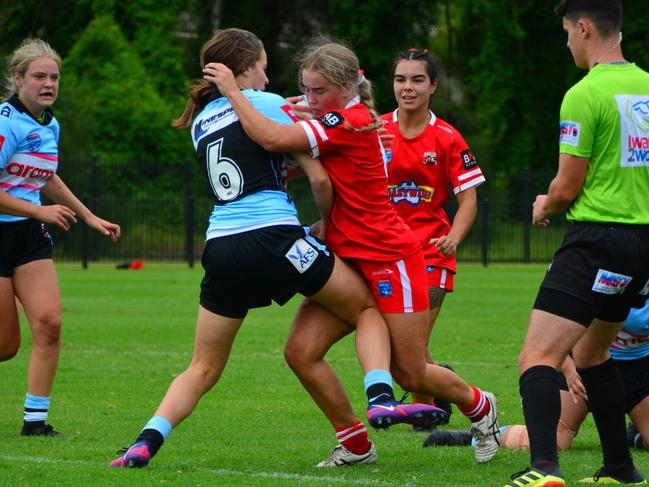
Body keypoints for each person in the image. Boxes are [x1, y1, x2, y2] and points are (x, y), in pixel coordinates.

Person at [110, 28, 442, 470]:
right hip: (276, 239)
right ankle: (380, 396)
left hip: (221, 248)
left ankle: (147, 440)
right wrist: (328, 219)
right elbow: (320, 169)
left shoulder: (199, 122)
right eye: (264, 68)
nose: (268, 79)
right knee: (366, 310)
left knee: (203, 367)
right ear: (244, 69)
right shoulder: (266, 104)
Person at [205, 40, 501, 464]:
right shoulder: (351, 117)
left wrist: (234, 93)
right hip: (347, 258)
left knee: (411, 371)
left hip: (389, 258)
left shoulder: (350, 119)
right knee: (301, 352)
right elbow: (310, 134)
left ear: (346, 86)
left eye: (318, 90)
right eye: (305, 89)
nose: (310, 98)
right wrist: (297, 108)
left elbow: (270, 137)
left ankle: (482, 407)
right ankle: (356, 444)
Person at [507, 1, 649, 485]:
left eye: (568, 33)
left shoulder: (583, 94)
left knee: (537, 356)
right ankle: (619, 467)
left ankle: (544, 466)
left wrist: (544, 204)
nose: (567, 43)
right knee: (591, 355)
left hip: (596, 240)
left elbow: (567, 188)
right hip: (641, 246)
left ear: (584, 28)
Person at [0, 39, 121, 436]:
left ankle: (35, 423)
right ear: (18, 79)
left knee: (50, 324)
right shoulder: (5, 120)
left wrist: (88, 216)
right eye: (39, 76)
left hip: (28, 239)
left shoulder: (49, 123)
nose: (48, 83)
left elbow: (44, 176)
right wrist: (38, 210)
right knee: (5, 345)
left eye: (54, 77)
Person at [380, 47, 485, 427]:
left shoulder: (447, 138)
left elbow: (469, 200)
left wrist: (453, 238)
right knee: (400, 351)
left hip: (430, 255)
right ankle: (433, 398)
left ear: (433, 86)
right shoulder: (376, 131)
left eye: (417, 79)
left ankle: (436, 409)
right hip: (385, 257)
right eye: (400, 79)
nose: (407, 87)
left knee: (409, 347)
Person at [425, 299, 649, 453]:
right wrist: (569, 368)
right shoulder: (594, 269)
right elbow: (549, 335)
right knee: (552, 442)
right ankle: (482, 436)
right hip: (578, 369)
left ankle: (636, 435)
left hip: (636, 370)